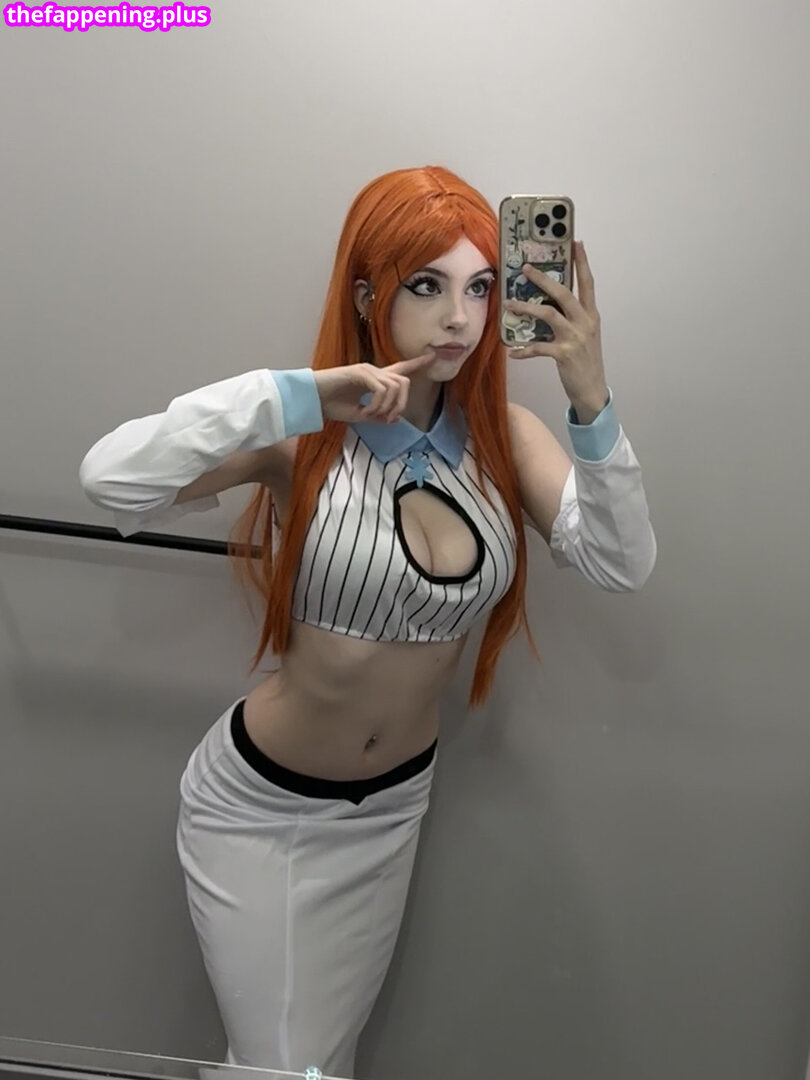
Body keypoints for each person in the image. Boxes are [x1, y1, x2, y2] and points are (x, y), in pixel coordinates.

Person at [78, 165, 656, 1079]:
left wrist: (591, 399)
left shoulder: (507, 439)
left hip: (390, 809)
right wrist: (298, 393)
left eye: (479, 288)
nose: (458, 319)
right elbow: (112, 481)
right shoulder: (302, 434)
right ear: (366, 295)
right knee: (282, 1069)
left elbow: (620, 563)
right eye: (426, 286)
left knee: (321, 1060)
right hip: (260, 806)